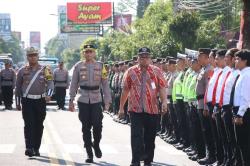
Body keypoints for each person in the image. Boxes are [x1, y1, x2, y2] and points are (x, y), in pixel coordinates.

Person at [118, 47, 168, 166]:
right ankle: (135, 161)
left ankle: (148, 161)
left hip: (152, 109)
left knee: (150, 137)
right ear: (138, 58)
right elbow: (125, 90)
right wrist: (121, 108)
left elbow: (161, 87)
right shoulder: (130, 72)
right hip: (135, 109)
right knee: (136, 135)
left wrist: (164, 101)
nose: (144, 59)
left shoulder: (156, 71)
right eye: (142, 57)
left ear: (150, 58)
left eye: (146, 57)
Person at [69, 44, 111, 163]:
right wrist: (71, 100)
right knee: (85, 127)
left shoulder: (100, 66)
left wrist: (107, 101)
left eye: (90, 51)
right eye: (86, 52)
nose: (88, 54)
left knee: (98, 125)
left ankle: (96, 144)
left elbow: (105, 84)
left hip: (96, 99)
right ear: (83, 53)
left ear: (94, 53)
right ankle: (89, 153)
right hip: (83, 99)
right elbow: (73, 84)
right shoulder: (78, 66)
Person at [15, 47, 54, 157]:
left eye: (34, 55)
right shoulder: (22, 70)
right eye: (30, 55)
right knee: (28, 124)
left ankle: (36, 148)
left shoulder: (45, 69)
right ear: (27, 57)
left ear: (37, 57)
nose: (32, 57)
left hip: (40, 101)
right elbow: (18, 88)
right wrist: (17, 103)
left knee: (38, 125)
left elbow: (50, 83)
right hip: (27, 101)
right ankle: (29, 147)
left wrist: (49, 94)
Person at [232, 50, 250, 166]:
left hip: (244, 112)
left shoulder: (247, 75)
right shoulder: (242, 74)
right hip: (238, 111)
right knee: (240, 143)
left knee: (244, 143)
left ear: (245, 61)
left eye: (238, 59)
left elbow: (246, 97)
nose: (235, 61)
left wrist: (240, 114)